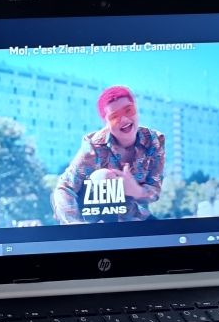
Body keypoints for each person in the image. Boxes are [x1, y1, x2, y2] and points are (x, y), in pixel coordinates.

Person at [52, 85, 165, 224]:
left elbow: (154, 192)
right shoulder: (94, 146)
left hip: (134, 218)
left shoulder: (154, 141)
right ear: (106, 123)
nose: (124, 120)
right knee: (105, 176)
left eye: (128, 110)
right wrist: (77, 226)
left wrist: (136, 191)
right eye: (114, 117)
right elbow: (65, 188)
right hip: (96, 219)